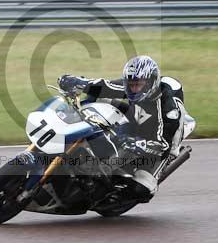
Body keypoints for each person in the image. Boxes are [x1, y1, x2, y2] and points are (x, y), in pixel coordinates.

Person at [58, 55, 185, 202]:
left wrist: (139, 144)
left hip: (164, 143)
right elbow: (105, 86)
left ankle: (111, 197)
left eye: (138, 85)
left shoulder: (169, 110)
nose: (134, 89)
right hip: (138, 118)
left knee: (142, 189)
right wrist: (77, 82)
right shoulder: (134, 86)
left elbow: (164, 146)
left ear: (151, 83)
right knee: (96, 99)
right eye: (131, 84)